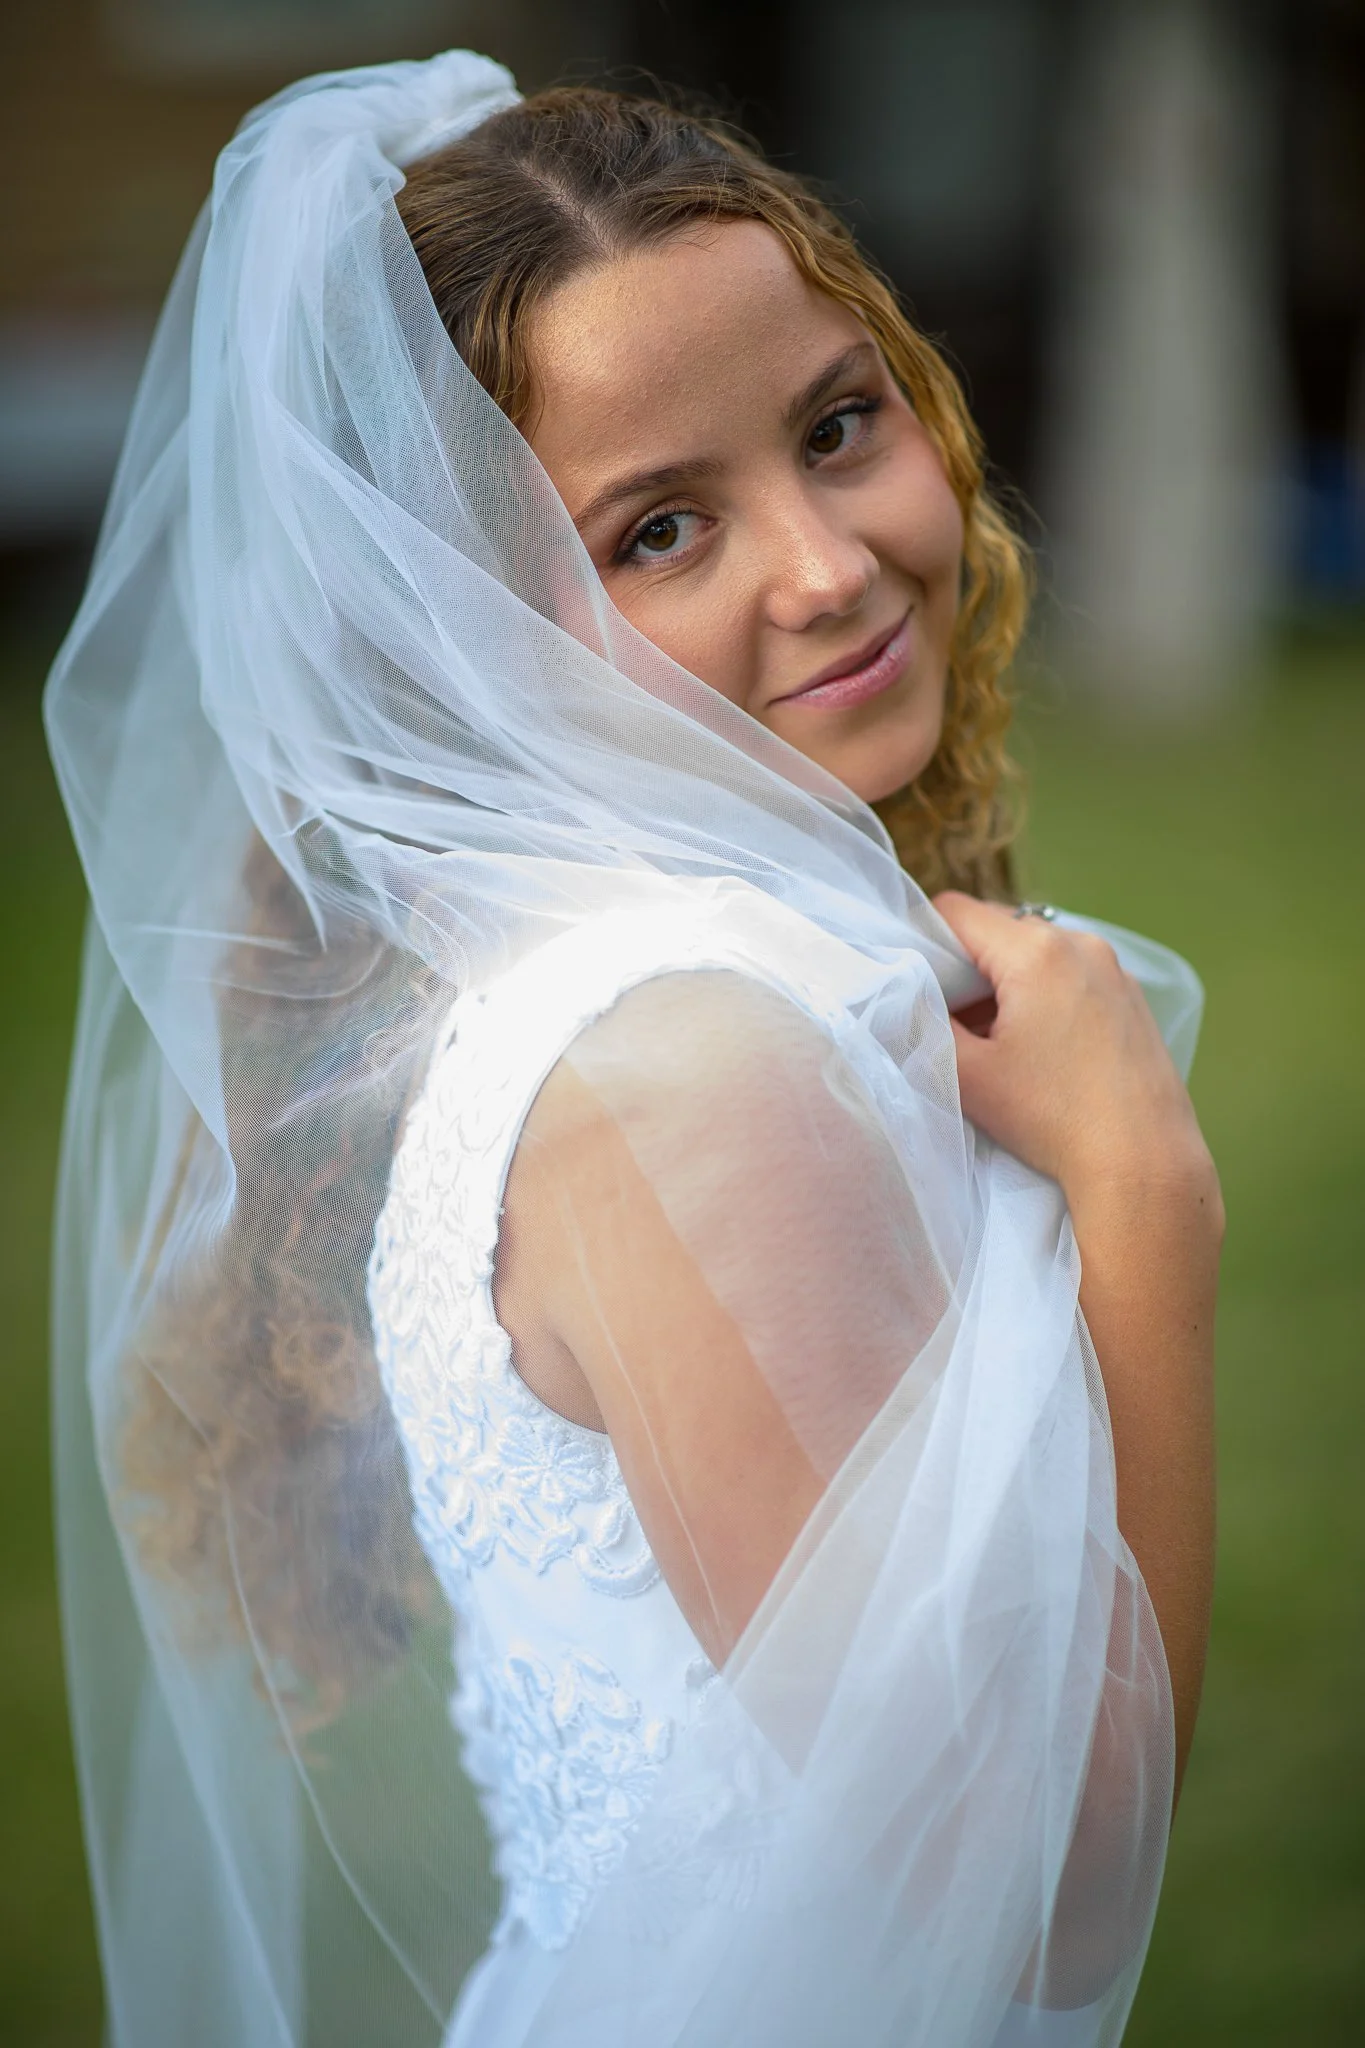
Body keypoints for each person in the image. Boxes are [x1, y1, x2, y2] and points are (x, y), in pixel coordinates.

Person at [44, 50, 1221, 2048]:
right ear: (462, 630)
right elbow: (1040, 1881)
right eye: (661, 529)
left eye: (839, 426)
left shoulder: (634, 981)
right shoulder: (698, 1077)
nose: (826, 561)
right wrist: (1136, 1196)